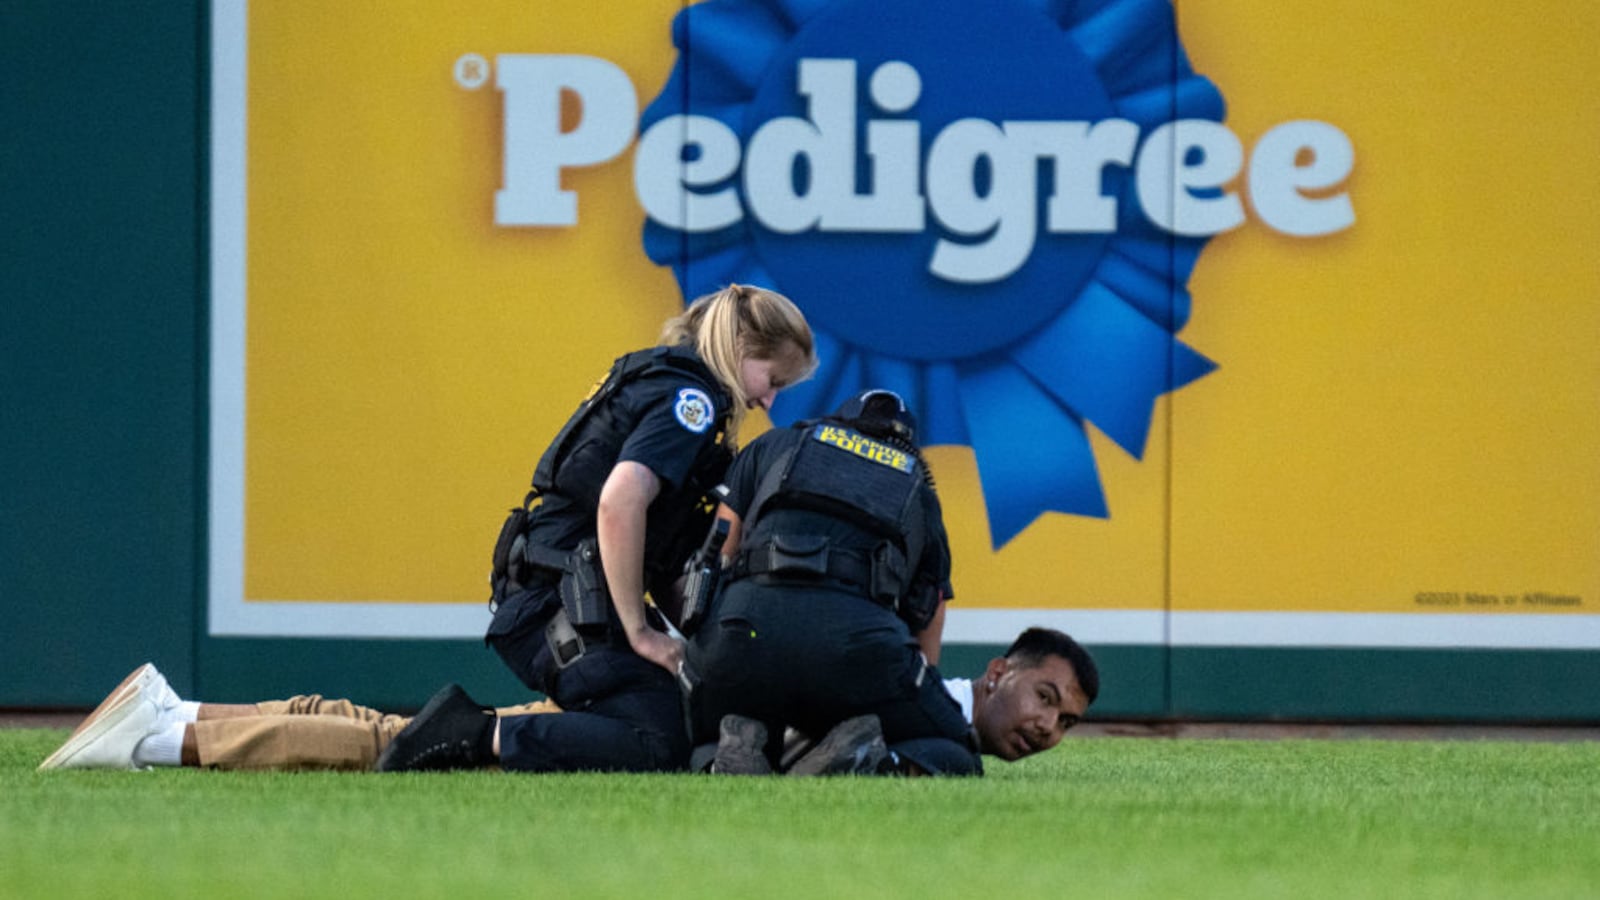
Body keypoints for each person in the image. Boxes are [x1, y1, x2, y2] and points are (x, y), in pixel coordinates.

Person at [458, 282, 816, 774]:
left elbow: (660, 558)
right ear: (738, 349)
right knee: (659, 740)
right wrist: (641, 633)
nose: (769, 400)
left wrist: (710, 650)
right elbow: (619, 502)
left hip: (554, 601)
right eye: (771, 378)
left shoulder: (667, 382)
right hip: (552, 611)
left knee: (686, 718)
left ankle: (484, 730)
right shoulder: (692, 403)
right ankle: (467, 734)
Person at [36, 627, 1097, 772]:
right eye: (1044, 695)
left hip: (649, 685)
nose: (1046, 725)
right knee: (418, 753)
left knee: (412, 734)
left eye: (1065, 721)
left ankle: (182, 713)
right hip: (656, 699)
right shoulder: (901, 682)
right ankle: (167, 741)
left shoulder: (908, 686)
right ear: (997, 670)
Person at [672, 388, 975, 776]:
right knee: (954, 749)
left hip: (742, 635)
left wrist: (706, 650)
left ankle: (723, 754)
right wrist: (919, 698)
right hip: (852, 652)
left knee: (703, 726)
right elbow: (927, 615)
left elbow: (717, 554)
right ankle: (853, 757)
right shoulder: (919, 490)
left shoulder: (777, 442)